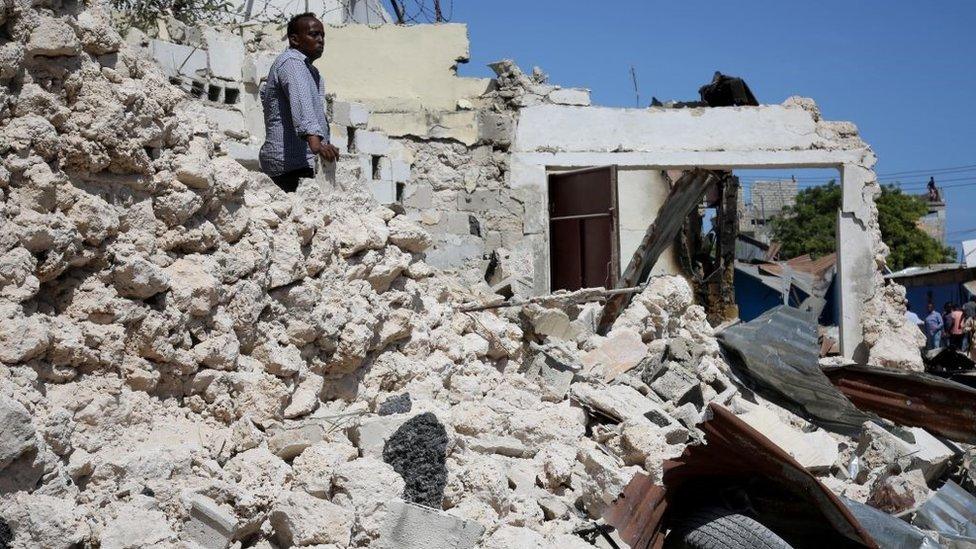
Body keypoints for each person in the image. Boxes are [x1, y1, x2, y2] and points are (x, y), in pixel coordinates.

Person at [259, 13, 340, 192]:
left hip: (302, 163)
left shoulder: (312, 72)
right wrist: (316, 144)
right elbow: (302, 103)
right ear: (294, 39)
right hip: (287, 167)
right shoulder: (292, 62)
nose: (320, 40)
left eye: (322, 36)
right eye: (313, 34)